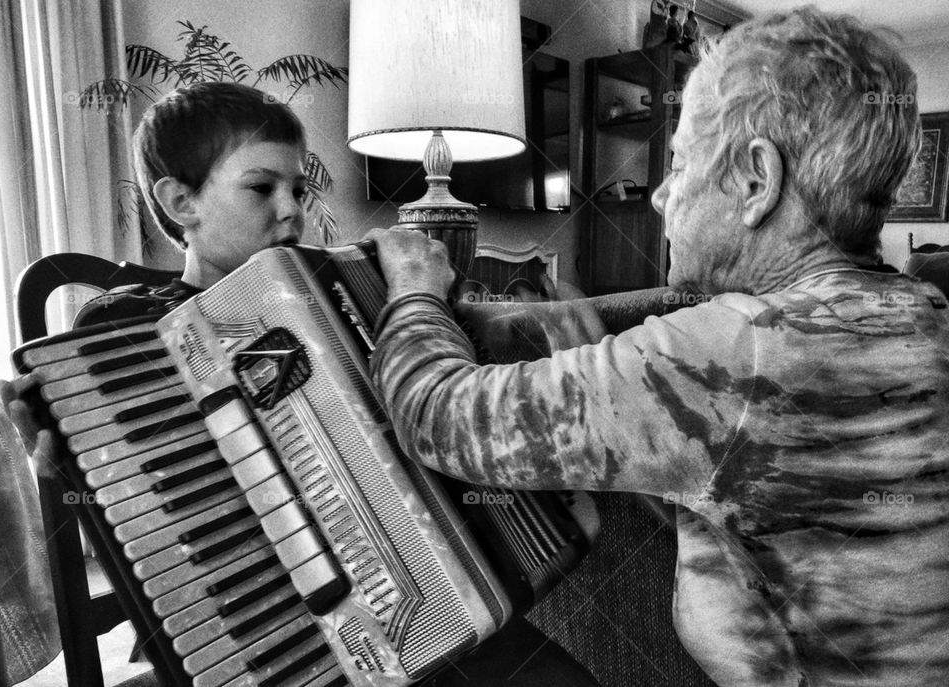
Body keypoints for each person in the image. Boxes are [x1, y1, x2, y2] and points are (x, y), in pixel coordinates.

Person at [369, 8, 947, 687]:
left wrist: (413, 290)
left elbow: (435, 414)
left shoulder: (738, 354)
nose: (661, 196)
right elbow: (681, 312)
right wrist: (509, 322)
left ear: (756, 181)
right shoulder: (920, 308)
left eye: (679, 164)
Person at [1, 81, 599, 687]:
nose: (291, 209)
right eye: (261, 188)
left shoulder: (354, 293)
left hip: (439, 608)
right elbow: (137, 509)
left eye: (298, 189)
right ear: (182, 202)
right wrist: (75, 458)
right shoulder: (127, 336)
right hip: (268, 631)